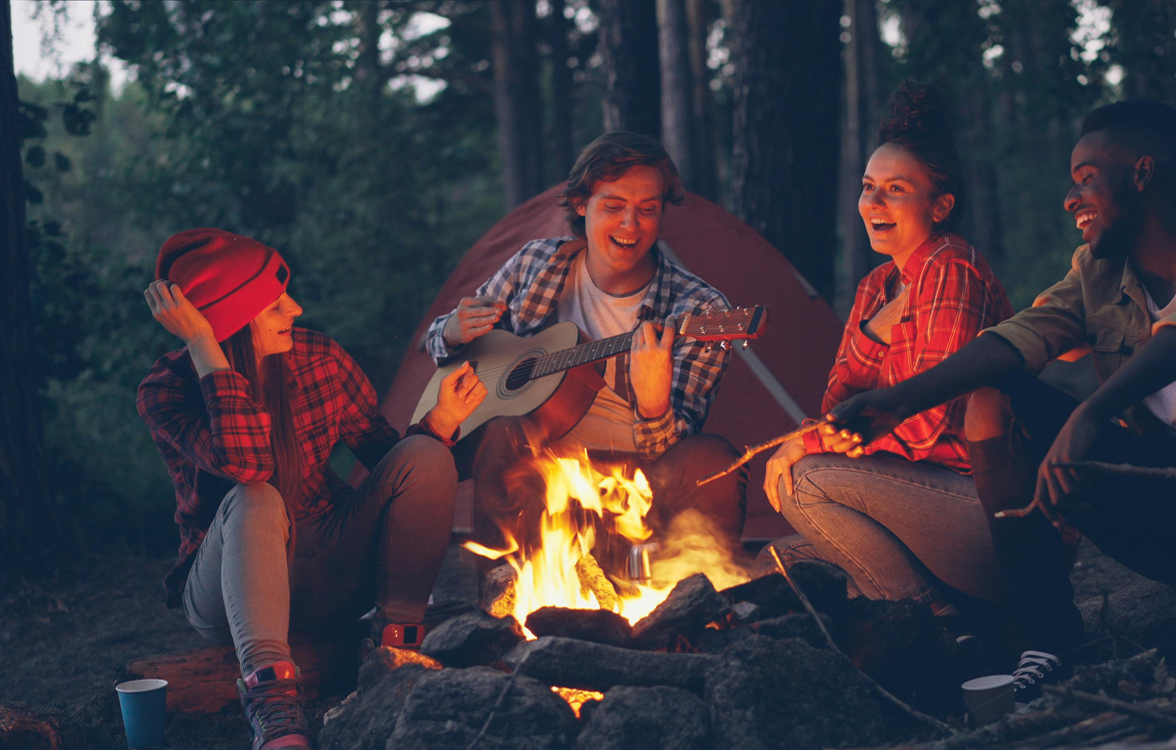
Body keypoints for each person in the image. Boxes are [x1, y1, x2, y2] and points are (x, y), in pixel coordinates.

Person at [821, 100, 1176, 700]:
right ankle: (1048, 638)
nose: (1071, 199)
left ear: (1143, 174)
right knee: (995, 393)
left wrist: (1091, 411)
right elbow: (1021, 335)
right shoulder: (1096, 275)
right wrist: (900, 400)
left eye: (1085, 180)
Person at [138, 228, 483, 750]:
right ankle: (273, 706)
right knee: (256, 496)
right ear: (231, 322)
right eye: (275, 306)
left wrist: (439, 423)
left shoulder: (318, 358)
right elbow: (247, 463)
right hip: (229, 589)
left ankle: (393, 651)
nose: (295, 310)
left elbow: (390, 463)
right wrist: (207, 347)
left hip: (329, 564)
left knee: (427, 454)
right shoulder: (167, 389)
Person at [424, 131, 746, 564]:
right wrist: (451, 332)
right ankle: (503, 613)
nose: (631, 225)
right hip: (543, 467)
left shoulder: (701, 310)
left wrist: (653, 406)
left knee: (713, 462)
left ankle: (697, 609)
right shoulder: (535, 264)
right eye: (614, 206)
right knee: (502, 432)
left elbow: (673, 447)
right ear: (581, 204)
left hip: (641, 472)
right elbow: (442, 346)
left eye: (647, 210)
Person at [760, 81, 1013, 619]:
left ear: (940, 205)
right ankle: (903, 612)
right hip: (913, 504)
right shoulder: (878, 286)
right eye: (868, 186)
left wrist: (806, 446)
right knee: (773, 566)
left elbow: (922, 428)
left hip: (987, 507)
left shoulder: (953, 267)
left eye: (895, 189)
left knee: (805, 482)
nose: (873, 202)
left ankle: (932, 624)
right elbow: (837, 400)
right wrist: (875, 329)